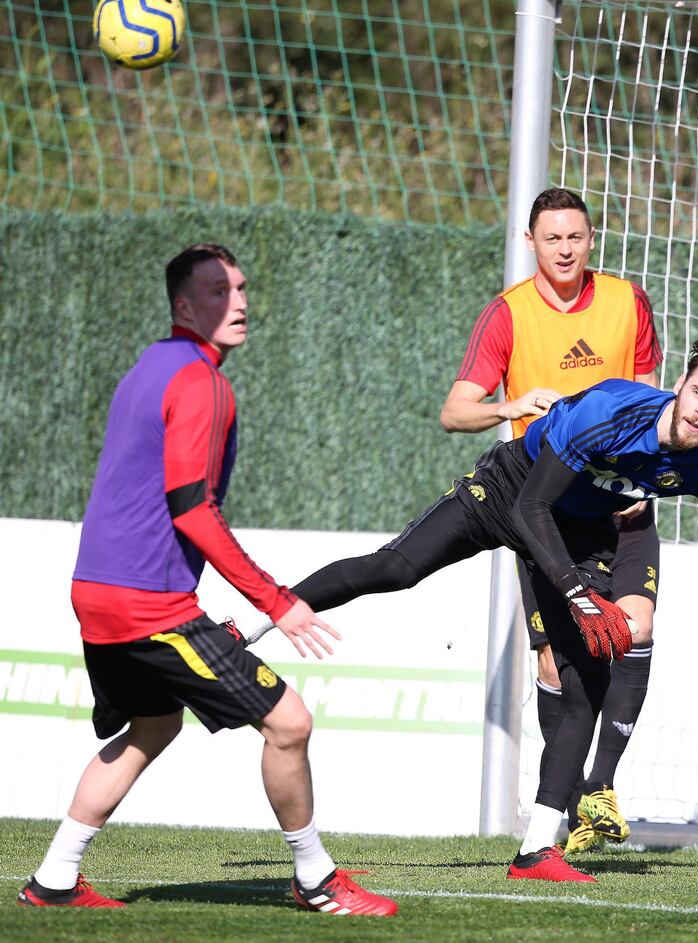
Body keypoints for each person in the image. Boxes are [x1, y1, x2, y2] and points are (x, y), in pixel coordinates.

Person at [250, 340, 698, 883]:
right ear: (678, 385)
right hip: (510, 492)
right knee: (396, 569)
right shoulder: (613, 410)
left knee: (589, 681)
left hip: (577, 532)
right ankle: (251, 621)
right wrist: (577, 592)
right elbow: (531, 505)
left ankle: (534, 852)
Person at [17, 244, 397, 917]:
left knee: (154, 724)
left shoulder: (148, 367)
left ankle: (54, 877)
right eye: (217, 290)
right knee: (289, 721)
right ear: (184, 305)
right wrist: (278, 602)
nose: (238, 300)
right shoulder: (200, 381)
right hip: (147, 605)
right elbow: (192, 507)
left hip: (95, 590)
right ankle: (316, 878)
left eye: (242, 287)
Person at [440, 187, 663, 852]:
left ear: (591, 239)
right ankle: (556, 808)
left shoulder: (628, 303)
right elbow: (456, 411)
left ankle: (598, 785)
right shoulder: (507, 315)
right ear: (531, 242)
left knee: (637, 625)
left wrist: (644, 471)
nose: (566, 249)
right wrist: (512, 407)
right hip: (543, 513)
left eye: (577, 237)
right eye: (553, 238)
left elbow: (649, 398)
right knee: (553, 664)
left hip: (621, 507)